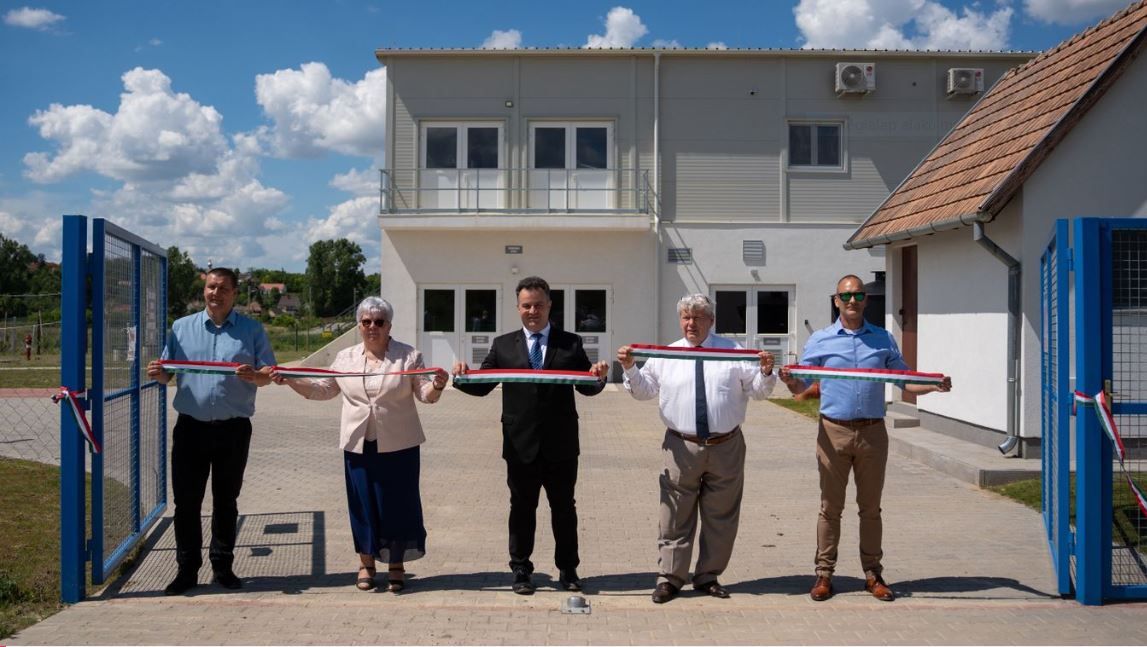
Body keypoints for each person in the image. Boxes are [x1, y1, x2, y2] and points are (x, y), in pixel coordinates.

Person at [779, 274, 951, 603]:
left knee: (870, 509)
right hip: (834, 431)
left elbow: (905, 381)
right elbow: (801, 386)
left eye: (858, 295)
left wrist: (933, 384)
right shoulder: (821, 341)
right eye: (846, 297)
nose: (852, 301)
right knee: (830, 508)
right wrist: (789, 382)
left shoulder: (884, 339)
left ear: (866, 300)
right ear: (836, 301)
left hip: (873, 432)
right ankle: (824, 574)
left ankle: (873, 573)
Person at [269, 297, 448, 593]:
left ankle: (396, 565)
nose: (372, 327)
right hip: (358, 443)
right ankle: (366, 562)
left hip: (400, 444)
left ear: (389, 325)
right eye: (366, 321)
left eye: (379, 322)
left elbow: (425, 394)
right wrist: (290, 379)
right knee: (362, 505)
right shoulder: (345, 357)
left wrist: (438, 385)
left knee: (398, 505)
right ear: (359, 325)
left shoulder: (409, 356)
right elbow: (322, 390)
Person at [452, 276, 609, 595]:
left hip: (561, 444)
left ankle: (568, 569)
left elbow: (586, 386)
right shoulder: (503, 344)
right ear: (518, 308)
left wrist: (599, 377)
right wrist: (461, 377)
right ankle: (521, 571)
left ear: (550, 305)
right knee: (521, 509)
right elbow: (482, 386)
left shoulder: (571, 343)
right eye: (526, 305)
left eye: (538, 305)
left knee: (564, 508)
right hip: (519, 443)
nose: (532, 311)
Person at [617, 294, 777, 604]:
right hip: (681, 445)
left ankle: (708, 576)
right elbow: (644, 391)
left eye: (699, 317)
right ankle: (670, 578)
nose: (692, 323)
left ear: (711, 321)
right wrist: (630, 369)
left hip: (726, 444)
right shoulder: (667, 353)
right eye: (686, 317)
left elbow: (756, 392)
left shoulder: (733, 352)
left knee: (721, 515)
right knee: (674, 514)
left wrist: (766, 373)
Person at [146, 267, 276, 595]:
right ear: (204, 290)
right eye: (210, 287)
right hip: (191, 429)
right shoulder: (181, 328)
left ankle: (223, 567)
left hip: (233, 430)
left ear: (234, 294)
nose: (215, 293)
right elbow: (168, 373)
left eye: (222, 288)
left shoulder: (251, 330)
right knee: (187, 503)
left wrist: (255, 376)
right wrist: (158, 373)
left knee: (225, 501)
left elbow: (269, 373)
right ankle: (187, 571)